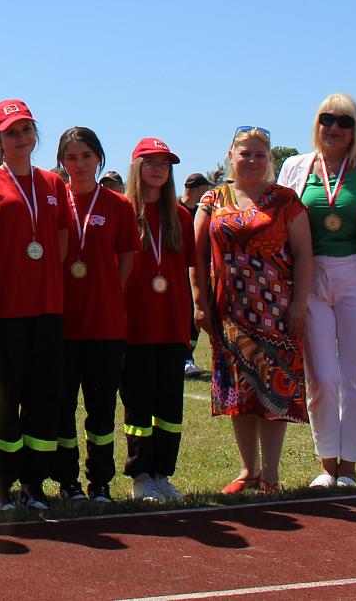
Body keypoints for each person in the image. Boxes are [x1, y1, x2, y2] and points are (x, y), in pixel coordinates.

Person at [277, 94, 356, 490]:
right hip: (310, 279)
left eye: (344, 121)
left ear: (355, 130)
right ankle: (326, 464)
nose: (333, 127)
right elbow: (278, 225)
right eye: (326, 119)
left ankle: (348, 467)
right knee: (321, 377)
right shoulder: (294, 166)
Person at [0, 99, 69, 512]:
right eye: (11, 133)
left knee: (43, 398)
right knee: (3, 400)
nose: (20, 138)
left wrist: (43, 279)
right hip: (0, 312)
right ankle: (1, 485)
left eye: (26, 130)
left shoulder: (53, 184)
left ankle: (34, 483)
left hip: (46, 309)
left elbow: (60, 242)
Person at [192, 126, 312, 495]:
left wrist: (299, 304)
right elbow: (196, 256)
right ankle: (248, 470)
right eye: (245, 153)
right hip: (228, 313)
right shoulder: (213, 199)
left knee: (274, 391)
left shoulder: (285, 200)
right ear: (231, 155)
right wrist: (199, 302)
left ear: (269, 159)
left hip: (277, 313)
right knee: (239, 391)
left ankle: (270, 475)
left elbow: (305, 254)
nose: (252, 160)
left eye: (260, 154)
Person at [52, 127, 137, 504]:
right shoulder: (54, 200)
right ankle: (67, 479)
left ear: (99, 158)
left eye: (86, 156)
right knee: (62, 407)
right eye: (72, 157)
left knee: (101, 408)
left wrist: (108, 293)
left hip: (104, 324)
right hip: (62, 322)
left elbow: (127, 260)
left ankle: (100, 480)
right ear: (62, 162)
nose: (80, 164)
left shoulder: (119, 205)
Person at [121, 138, 197, 502]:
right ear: (137, 168)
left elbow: (190, 272)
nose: (157, 169)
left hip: (171, 325)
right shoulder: (124, 212)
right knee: (138, 406)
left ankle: (162, 474)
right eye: (150, 162)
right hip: (134, 327)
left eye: (164, 164)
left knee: (169, 407)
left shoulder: (180, 216)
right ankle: (140, 476)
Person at [180, 172, 214, 378]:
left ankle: (188, 359)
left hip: (196, 274)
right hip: (177, 275)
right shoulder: (176, 210)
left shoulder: (202, 211)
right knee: (181, 316)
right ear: (200, 189)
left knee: (196, 317)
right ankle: (182, 358)